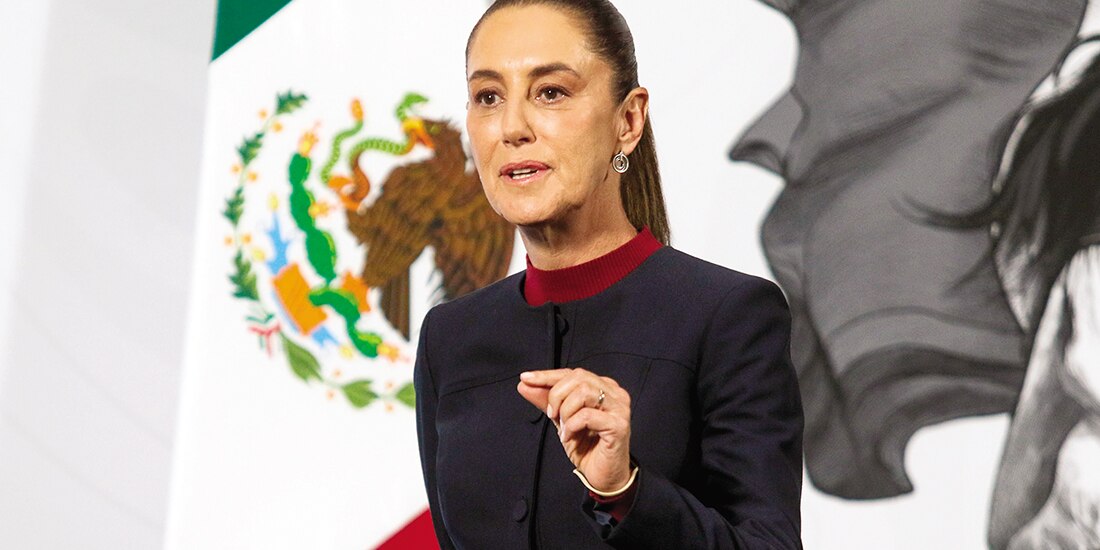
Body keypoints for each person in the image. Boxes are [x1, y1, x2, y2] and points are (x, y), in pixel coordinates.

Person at [413, 1, 804, 548]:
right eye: (488, 97)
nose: (512, 127)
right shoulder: (448, 339)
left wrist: (625, 492)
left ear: (628, 120)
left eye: (550, 92)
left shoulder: (729, 316)